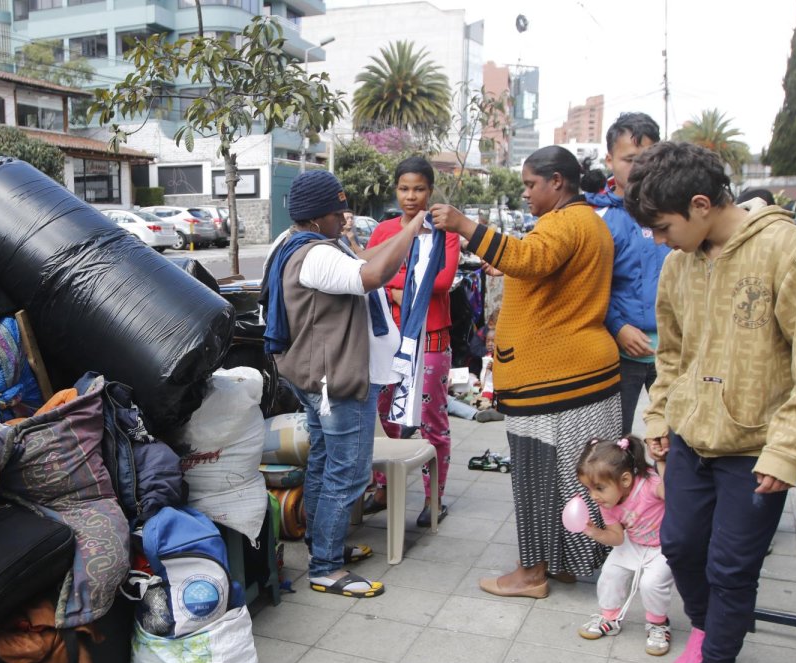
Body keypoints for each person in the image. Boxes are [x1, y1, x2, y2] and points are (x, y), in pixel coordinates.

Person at [624, 141, 796, 663]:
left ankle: (713, 662)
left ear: (700, 204)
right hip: (691, 440)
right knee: (679, 546)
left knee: (732, 568)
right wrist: (660, 418)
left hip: (758, 449)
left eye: (662, 226)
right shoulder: (678, 265)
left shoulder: (788, 251)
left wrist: (786, 453)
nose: (657, 239)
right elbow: (670, 354)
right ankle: (710, 625)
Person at [431, 145, 622, 599]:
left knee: (539, 477)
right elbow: (543, 268)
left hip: (556, 382)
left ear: (557, 182)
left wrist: (464, 225)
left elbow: (531, 259)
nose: (526, 194)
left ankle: (532, 573)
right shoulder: (589, 222)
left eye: (530, 185)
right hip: (579, 376)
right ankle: (562, 564)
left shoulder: (563, 222)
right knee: (570, 479)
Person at [262, 170, 443, 598]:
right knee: (349, 472)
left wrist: (402, 233)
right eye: (338, 210)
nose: (344, 217)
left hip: (319, 378)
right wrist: (413, 227)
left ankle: (320, 543)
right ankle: (325, 566)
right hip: (338, 381)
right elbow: (373, 275)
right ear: (319, 214)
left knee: (326, 463)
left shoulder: (298, 244)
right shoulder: (316, 256)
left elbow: (365, 261)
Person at [361, 157, 462, 527]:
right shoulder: (384, 230)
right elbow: (365, 272)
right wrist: (399, 284)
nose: (411, 196)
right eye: (404, 188)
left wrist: (392, 280)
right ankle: (386, 487)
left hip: (431, 341)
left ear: (430, 191)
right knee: (387, 418)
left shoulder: (445, 231)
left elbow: (441, 280)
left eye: (419, 188)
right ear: (396, 190)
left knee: (432, 421)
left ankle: (434, 497)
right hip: (387, 340)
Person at [585, 112, 667, 436]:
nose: (639, 168)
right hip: (620, 350)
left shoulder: (673, 211)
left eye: (648, 159)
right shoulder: (598, 217)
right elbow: (589, 287)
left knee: (676, 443)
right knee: (613, 445)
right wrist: (618, 328)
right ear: (610, 159)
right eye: (630, 159)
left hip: (672, 352)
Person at [575, 436, 674, 658]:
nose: (593, 496)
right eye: (589, 489)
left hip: (664, 546)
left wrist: (664, 462)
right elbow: (617, 538)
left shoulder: (650, 484)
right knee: (610, 573)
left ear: (626, 479)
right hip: (634, 542)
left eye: (599, 488)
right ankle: (610, 618)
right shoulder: (608, 502)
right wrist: (594, 532)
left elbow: (672, 494)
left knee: (652, 584)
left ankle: (659, 624)